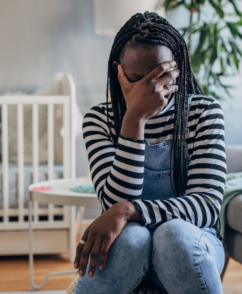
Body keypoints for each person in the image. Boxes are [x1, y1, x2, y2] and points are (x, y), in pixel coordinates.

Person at [75, 12, 226, 293]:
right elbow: (114, 203)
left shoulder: (204, 112)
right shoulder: (99, 119)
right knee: (132, 237)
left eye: (160, 76)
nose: (150, 89)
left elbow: (206, 207)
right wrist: (134, 120)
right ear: (118, 72)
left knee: (173, 234)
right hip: (128, 256)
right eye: (136, 79)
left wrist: (131, 210)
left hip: (190, 248)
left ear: (177, 68)